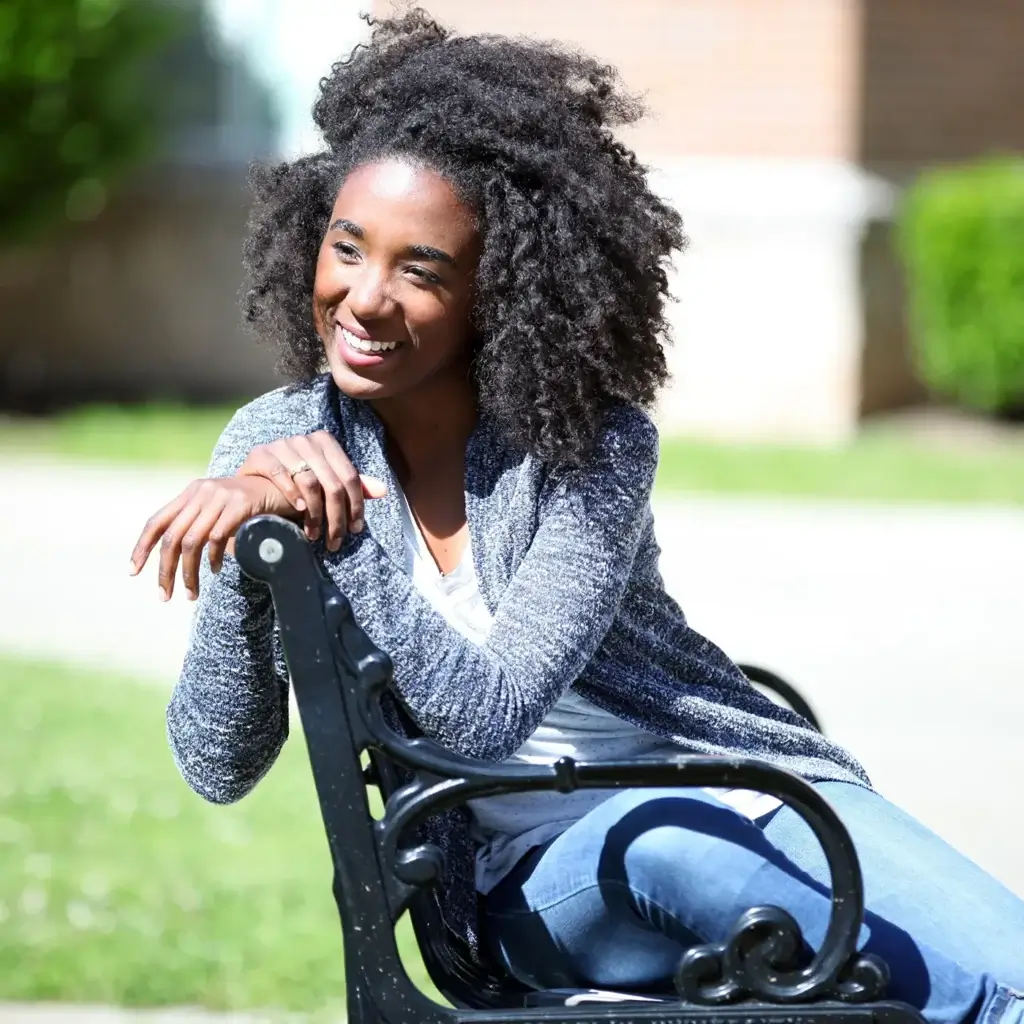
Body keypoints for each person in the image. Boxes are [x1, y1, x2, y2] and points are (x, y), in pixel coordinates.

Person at [129, 11, 1024, 1023]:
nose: (364, 298)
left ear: (499, 292)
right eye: (347, 247)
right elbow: (217, 761)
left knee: (1008, 970)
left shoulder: (588, 443)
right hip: (540, 870)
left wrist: (327, 531)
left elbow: (492, 700)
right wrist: (264, 552)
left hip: (745, 789)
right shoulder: (279, 440)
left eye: (421, 271)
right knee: (675, 840)